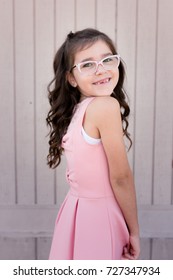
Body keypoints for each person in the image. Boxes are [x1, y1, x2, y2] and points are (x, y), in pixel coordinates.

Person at [46, 28, 140, 260]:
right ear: (71, 78)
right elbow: (120, 177)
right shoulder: (104, 106)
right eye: (87, 64)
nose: (101, 70)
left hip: (75, 214)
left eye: (108, 59)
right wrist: (135, 231)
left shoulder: (78, 110)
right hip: (99, 218)